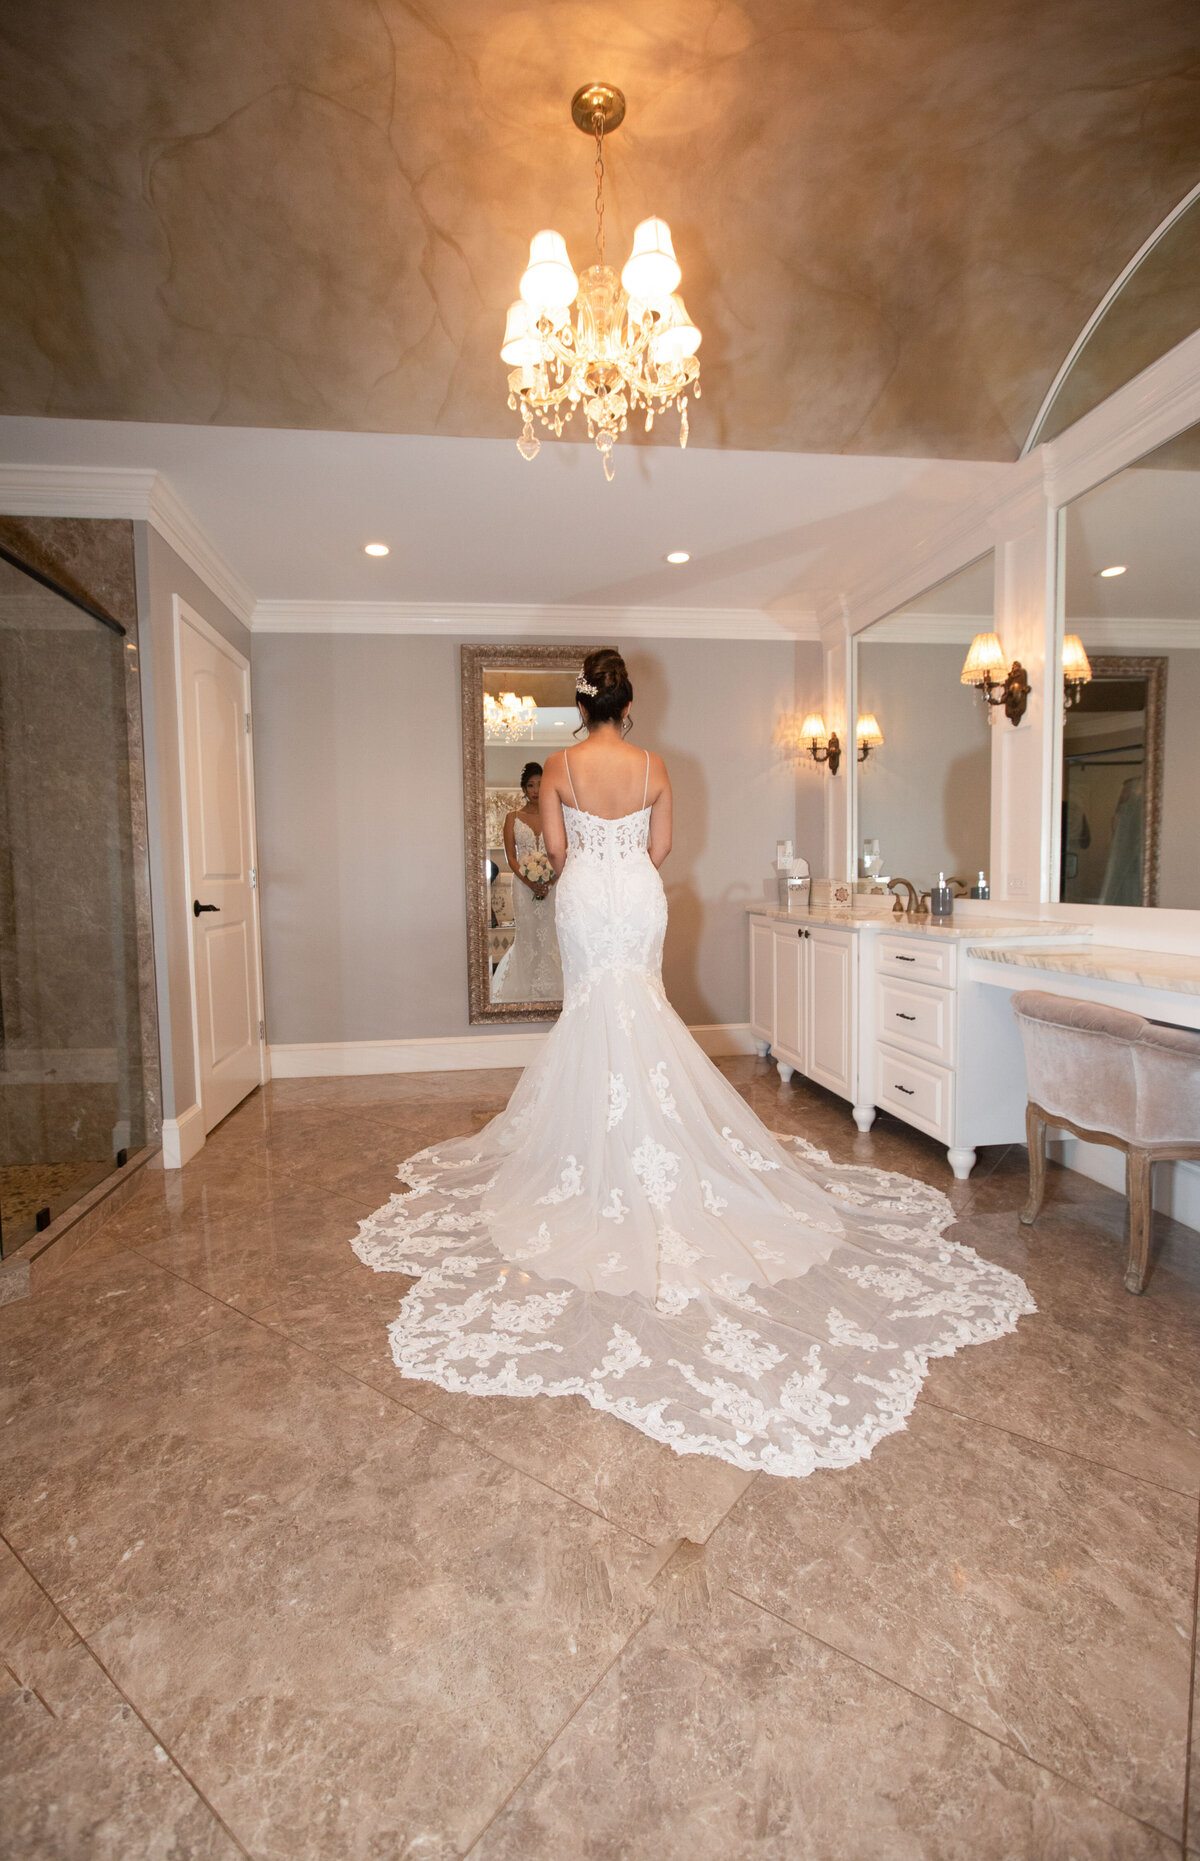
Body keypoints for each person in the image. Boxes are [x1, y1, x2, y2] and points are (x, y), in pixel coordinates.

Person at [353, 649, 1033, 1478]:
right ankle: (660, 1147)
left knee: (595, 1010)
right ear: (628, 708)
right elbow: (662, 846)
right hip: (637, 895)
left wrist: (594, 865)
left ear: (581, 707)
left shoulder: (561, 765)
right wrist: (625, 861)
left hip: (586, 899)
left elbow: (561, 854)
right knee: (642, 1005)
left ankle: (596, 1158)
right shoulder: (653, 765)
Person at [490, 762, 564, 1002]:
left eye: (540, 784)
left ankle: (553, 989)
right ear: (523, 788)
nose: (535, 789)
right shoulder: (513, 818)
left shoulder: (557, 816)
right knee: (528, 935)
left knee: (552, 934)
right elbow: (511, 857)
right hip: (523, 886)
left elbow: (563, 851)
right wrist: (530, 883)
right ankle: (524, 988)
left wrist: (550, 880)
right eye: (531, 785)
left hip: (553, 885)